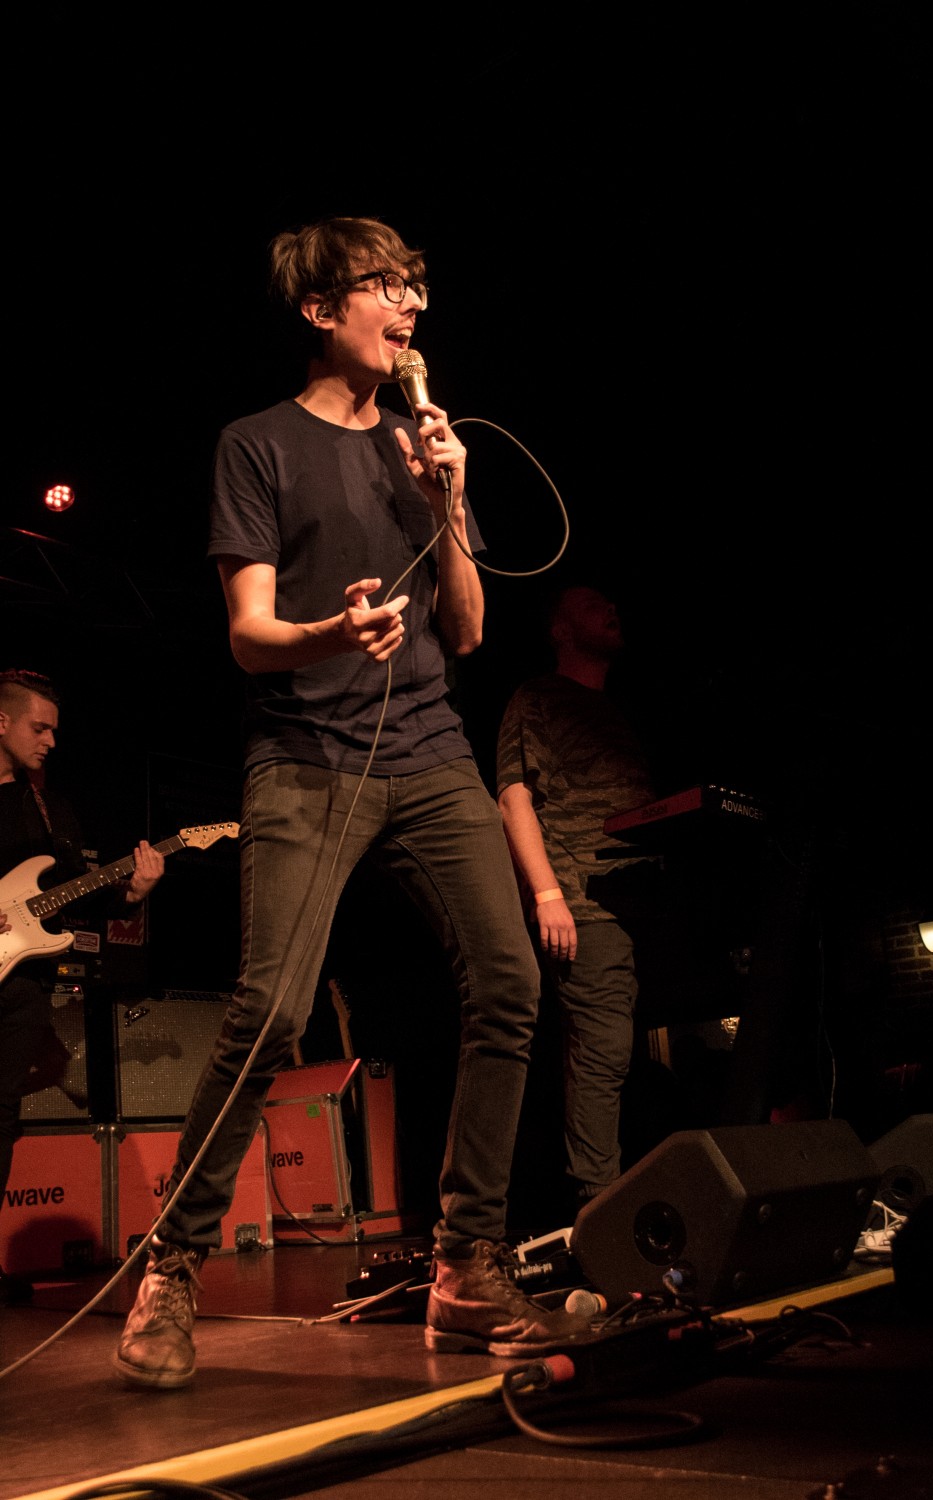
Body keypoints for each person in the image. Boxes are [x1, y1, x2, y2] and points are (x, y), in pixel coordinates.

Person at [113, 214, 589, 1389]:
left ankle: (466, 1264)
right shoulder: (257, 444)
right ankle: (172, 1266)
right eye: (384, 285)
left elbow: (465, 631)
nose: (410, 305)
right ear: (321, 310)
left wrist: (448, 500)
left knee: (510, 982)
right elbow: (248, 634)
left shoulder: (421, 446)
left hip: (428, 752)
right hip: (304, 757)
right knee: (272, 1013)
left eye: (415, 286)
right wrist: (332, 631)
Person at [496, 584, 682, 1215]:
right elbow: (513, 798)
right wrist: (547, 894)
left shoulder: (618, 713)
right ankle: (598, 1209)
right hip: (584, 903)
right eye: (591, 602)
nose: (611, 607)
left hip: (644, 903)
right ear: (559, 629)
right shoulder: (539, 698)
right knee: (601, 1051)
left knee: (635, 1056)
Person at [0, 668, 165, 1304]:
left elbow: (75, 896)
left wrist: (131, 893)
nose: (50, 741)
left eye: (54, 730)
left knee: (0, 1120)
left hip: (20, 986)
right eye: (39, 728)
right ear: (2, 722)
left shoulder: (52, 810)